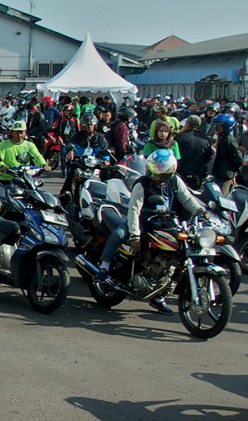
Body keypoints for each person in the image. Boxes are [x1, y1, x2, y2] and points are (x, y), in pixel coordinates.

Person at [95, 149, 207, 314]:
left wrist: (201, 211)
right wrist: (134, 235)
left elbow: (187, 198)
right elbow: (134, 209)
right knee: (119, 234)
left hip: (164, 223)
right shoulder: (142, 183)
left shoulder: (174, 181)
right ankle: (104, 267)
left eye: (162, 168)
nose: (157, 172)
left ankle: (158, 295)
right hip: (142, 222)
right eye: (155, 167)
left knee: (174, 255)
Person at [174, 115, 213, 188]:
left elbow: (173, 155)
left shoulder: (179, 137)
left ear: (187, 124)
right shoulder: (205, 139)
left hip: (180, 174)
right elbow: (208, 157)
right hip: (197, 175)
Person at [211, 113, 244, 195]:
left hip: (225, 176)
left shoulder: (229, 140)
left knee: (222, 198)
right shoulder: (222, 137)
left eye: (220, 126)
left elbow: (239, 159)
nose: (217, 128)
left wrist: (233, 173)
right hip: (219, 172)